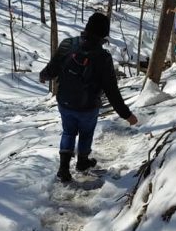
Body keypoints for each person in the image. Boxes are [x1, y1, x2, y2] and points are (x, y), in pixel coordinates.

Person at [40, 12, 138, 183]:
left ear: (87, 27)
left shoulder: (67, 44)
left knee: (68, 132)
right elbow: (112, 91)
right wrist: (126, 115)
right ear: (104, 34)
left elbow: (52, 68)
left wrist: (43, 75)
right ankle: (83, 162)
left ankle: (63, 169)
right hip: (88, 107)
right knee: (85, 133)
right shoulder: (103, 58)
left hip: (65, 101)